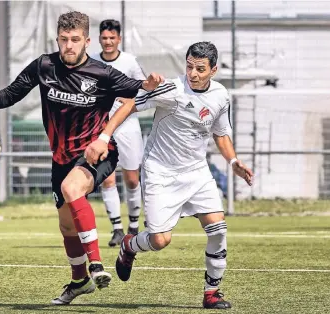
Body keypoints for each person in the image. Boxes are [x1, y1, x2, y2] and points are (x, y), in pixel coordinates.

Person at [0, 11, 163, 305]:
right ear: (57, 39)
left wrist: (149, 84)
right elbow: (10, 95)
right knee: (67, 227)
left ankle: (95, 265)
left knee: (72, 189)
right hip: (62, 159)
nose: (69, 45)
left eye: (75, 40)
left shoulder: (101, 73)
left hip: (99, 153)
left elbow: (136, 90)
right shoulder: (44, 66)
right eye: (64, 40)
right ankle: (79, 280)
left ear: (87, 41)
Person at [85, 42, 254, 309]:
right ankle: (129, 245)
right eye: (189, 66)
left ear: (214, 70)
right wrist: (104, 137)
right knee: (159, 240)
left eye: (200, 69)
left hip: (197, 173)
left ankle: (211, 293)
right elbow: (128, 106)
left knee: (218, 229)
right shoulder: (172, 89)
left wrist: (233, 161)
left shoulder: (221, 95)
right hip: (160, 172)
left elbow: (221, 134)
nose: (193, 73)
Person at [91, 19, 145, 246]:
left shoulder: (130, 61)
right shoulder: (91, 61)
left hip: (128, 126)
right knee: (107, 180)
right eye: (104, 38)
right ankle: (116, 228)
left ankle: (133, 225)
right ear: (99, 39)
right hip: (102, 128)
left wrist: (132, 98)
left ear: (119, 39)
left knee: (132, 180)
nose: (108, 42)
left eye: (112, 38)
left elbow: (144, 89)